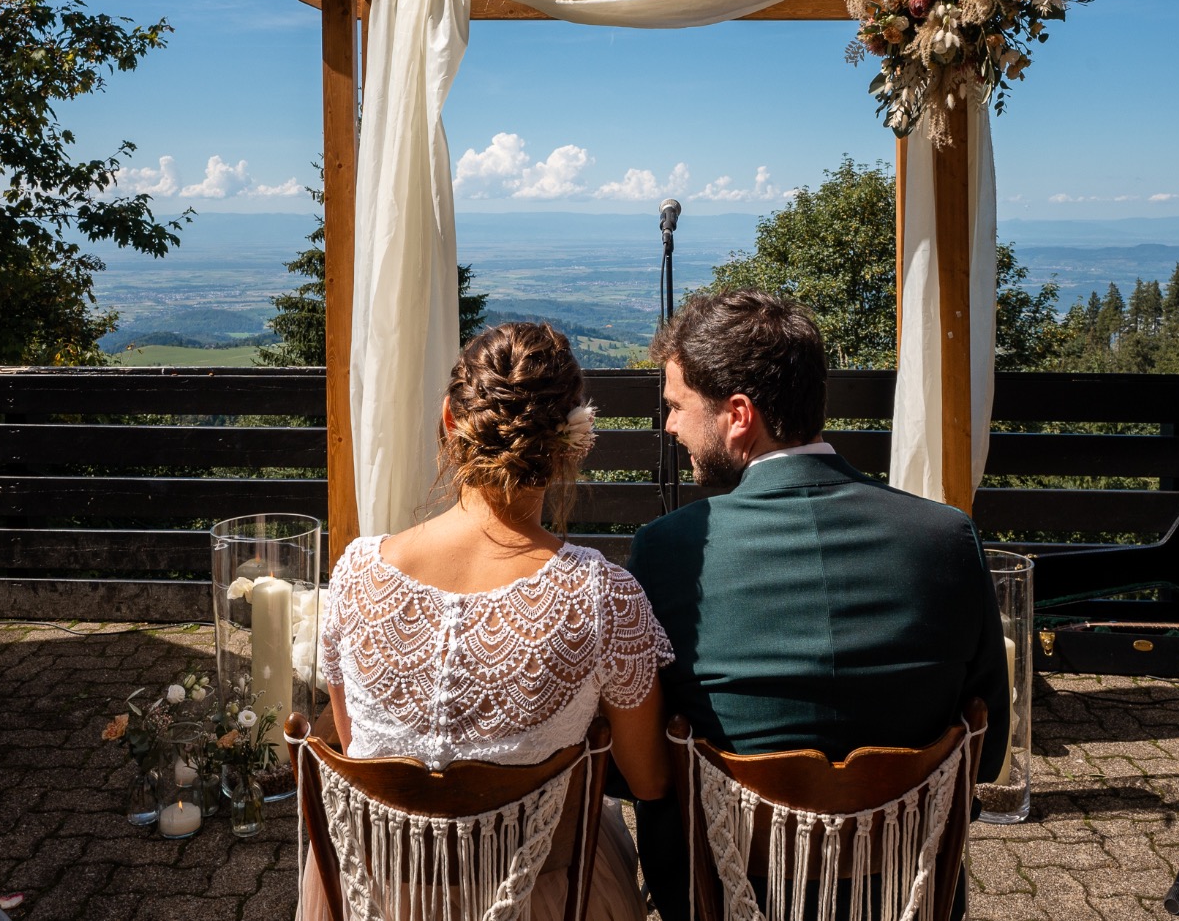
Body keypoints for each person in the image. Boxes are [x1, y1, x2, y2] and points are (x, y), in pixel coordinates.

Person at [627, 289, 1010, 921]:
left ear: (738, 414)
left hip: (724, 895)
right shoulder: (946, 539)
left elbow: (646, 769)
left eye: (676, 406)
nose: (669, 426)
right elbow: (985, 754)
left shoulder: (670, 552)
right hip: (899, 893)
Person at [301, 322, 671, 921]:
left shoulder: (357, 573)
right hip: (542, 897)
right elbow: (650, 780)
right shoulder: (602, 596)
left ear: (450, 420)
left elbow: (354, 744)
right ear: (570, 443)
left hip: (384, 894)